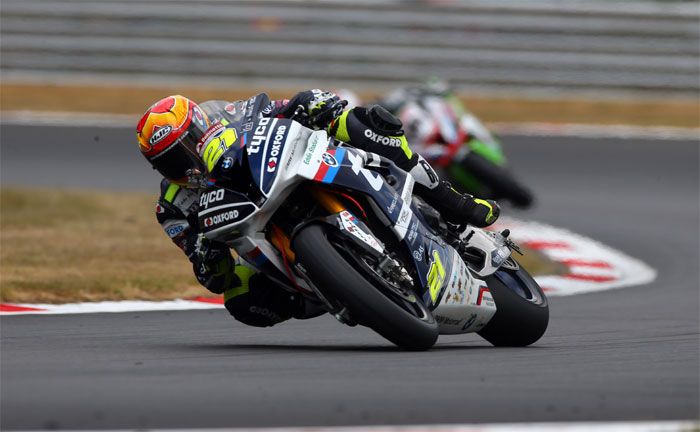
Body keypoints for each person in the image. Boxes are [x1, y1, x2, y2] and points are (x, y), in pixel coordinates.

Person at [136, 90, 499, 328]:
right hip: (260, 232)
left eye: (185, 147)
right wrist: (206, 250)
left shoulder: (233, 114)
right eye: (170, 162)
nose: (185, 164)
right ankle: (337, 285)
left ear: (200, 124)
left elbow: (287, 105)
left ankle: (455, 204)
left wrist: (317, 105)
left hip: (298, 169)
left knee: (364, 126)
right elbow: (208, 274)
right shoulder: (171, 207)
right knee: (242, 299)